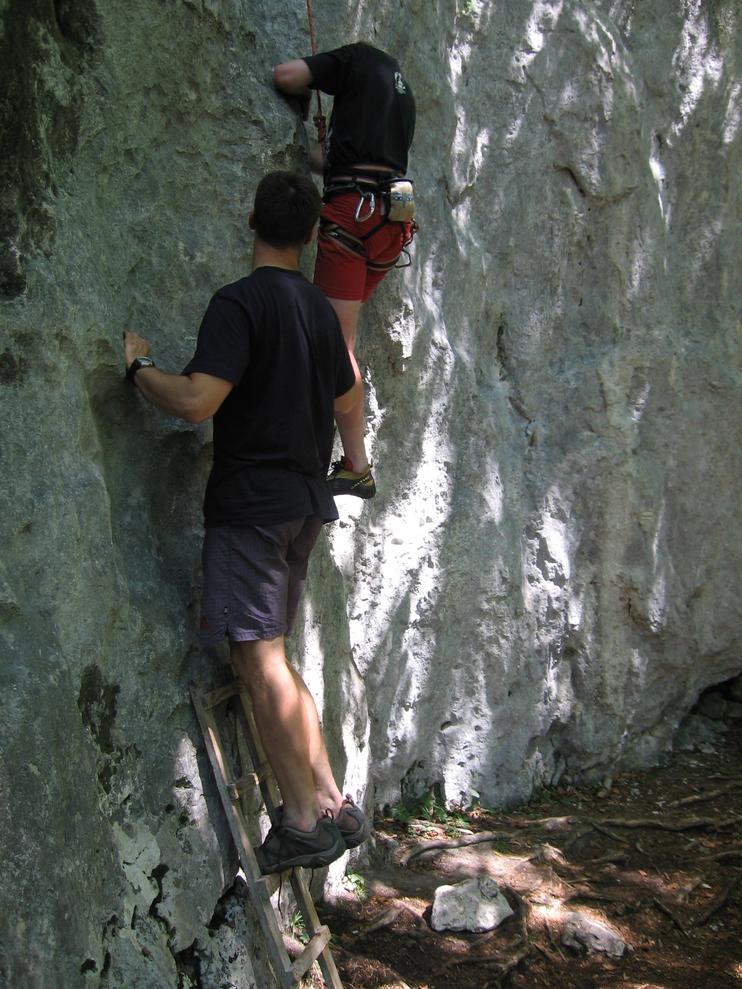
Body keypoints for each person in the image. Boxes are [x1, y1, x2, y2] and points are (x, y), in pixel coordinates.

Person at [123, 171, 369, 874]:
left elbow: (197, 400)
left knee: (259, 661)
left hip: (252, 508)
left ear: (251, 220)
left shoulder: (240, 303)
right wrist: (356, 462)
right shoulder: (319, 310)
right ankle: (330, 800)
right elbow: (349, 394)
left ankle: (301, 819)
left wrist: (138, 367)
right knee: (273, 656)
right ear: (311, 236)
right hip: (301, 506)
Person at [274, 43, 416, 499]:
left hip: (353, 216)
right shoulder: (402, 91)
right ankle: (339, 452)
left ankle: (356, 464)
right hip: (390, 222)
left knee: (337, 347)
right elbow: (339, 165)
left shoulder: (356, 59)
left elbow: (287, 75)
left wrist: (312, 82)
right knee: (334, 341)